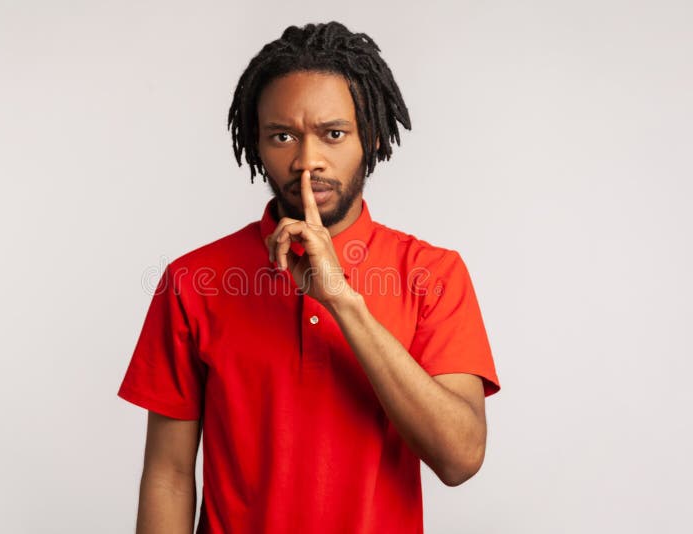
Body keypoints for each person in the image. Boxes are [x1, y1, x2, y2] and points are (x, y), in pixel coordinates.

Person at [117, 21, 501, 534]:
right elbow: (168, 474)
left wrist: (342, 300)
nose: (307, 161)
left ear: (373, 137)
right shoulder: (194, 280)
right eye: (283, 136)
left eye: (333, 134)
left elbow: (461, 457)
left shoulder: (432, 274)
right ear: (256, 145)